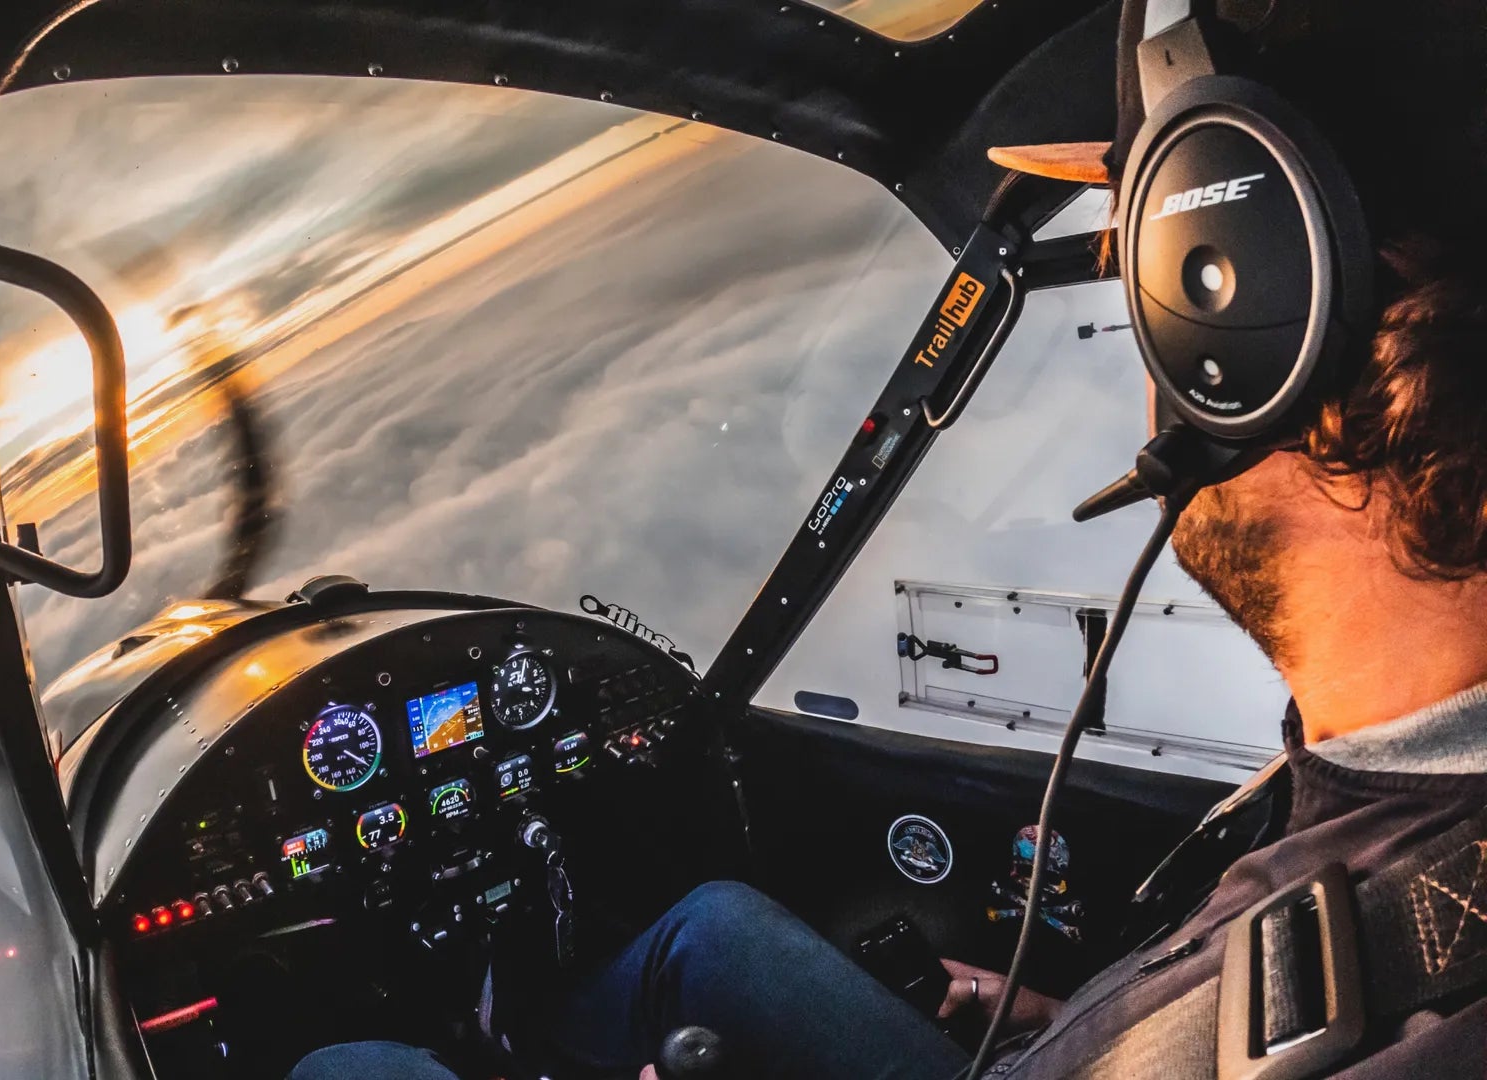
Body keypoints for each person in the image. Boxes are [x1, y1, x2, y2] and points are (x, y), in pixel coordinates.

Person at [296, 2, 1487, 1075]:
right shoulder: (1400, 774)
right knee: (708, 932)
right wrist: (1089, 1017)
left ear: (1261, 311)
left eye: (1141, 271)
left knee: (352, 1073)